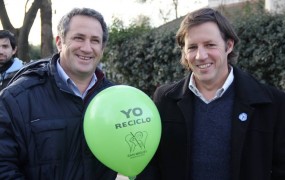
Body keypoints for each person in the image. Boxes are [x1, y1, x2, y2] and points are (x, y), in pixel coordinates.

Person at [136, 7, 285, 180]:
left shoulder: (272, 104)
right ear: (184, 52)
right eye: (192, 47)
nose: (201, 55)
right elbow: (151, 165)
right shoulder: (165, 100)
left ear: (228, 46)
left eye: (210, 45)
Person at [0, 8, 118, 179]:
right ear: (59, 42)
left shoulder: (114, 99)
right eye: (79, 38)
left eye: (95, 40)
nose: (87, 48)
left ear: (102, 47)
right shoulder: (17, 98)